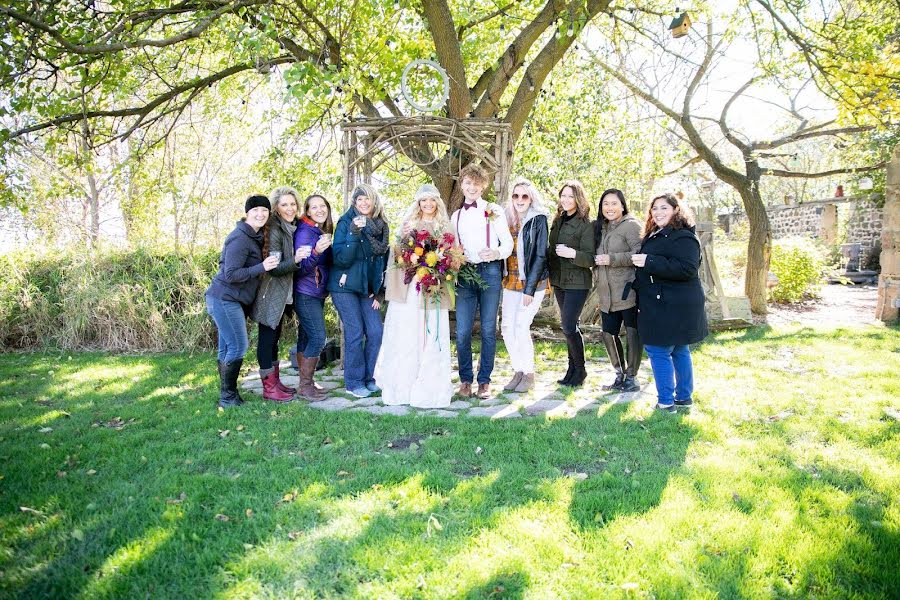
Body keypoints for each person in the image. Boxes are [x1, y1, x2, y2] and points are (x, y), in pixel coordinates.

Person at [375, 184, 454, 407]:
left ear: (437, 202)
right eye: (423, 201)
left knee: (431, 330)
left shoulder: (444, 226)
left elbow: (451, 255)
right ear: (418, 203)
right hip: (412, 287)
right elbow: (398, 252)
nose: (428, 205)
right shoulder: (408, 225)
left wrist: (437, 266)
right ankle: (405, 384)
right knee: (409, 330)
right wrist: (412, 262)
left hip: (433, 285)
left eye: (432, 201)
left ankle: (430, 384)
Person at [631, 192, 708, 412]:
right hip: (663, 300)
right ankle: (683, 398)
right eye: (654, 208)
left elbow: (687, 268)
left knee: (658, 349)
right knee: (678, 349)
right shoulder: (658, 234)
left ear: (676, 210)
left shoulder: (683, 237)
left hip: (672, 303)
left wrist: (649, 261)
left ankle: (666, 402)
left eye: (664, 207)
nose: (658, 212)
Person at [205, 195, 279, 408]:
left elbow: (225, 262)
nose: (260, 214)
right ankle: (228, 397)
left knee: (227, 347)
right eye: (255, 210)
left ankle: (228, 394)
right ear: (247, 213)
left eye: (264, 210)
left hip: (230, 299)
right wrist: (262, 267)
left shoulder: (253, 236)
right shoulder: (240, 237)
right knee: (238, 346)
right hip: (225, 298)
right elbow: (230, 274)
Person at [451, 163, 513, 399]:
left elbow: (507, 244)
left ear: (483, 186)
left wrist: (496, 253)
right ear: (462, 185)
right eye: (468, 183)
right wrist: (457, 256)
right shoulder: (456, 215)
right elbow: (452, 247)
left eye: (476, 184)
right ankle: (466, 380)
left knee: (488, 329)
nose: (472, 187)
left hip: (490, 272)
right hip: (465, 275)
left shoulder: (493, 210)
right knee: (464, 331)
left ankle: (484, 381)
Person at [250, 186, 311, 402]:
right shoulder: (275, 228)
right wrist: (295, 260)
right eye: (284, 204)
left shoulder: (293, 226)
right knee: (267, 338)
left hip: (285, 292)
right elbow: (274, 268)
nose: (289, 208)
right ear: (276, 207)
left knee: (275, 338)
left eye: (293, 204)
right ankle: (269, 388)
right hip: (271, 291)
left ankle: (275, 383)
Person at [328, 183, 390, 398]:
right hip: (344, 287)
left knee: (375, 331)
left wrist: (379, 292)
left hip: (367, 289)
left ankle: (368, 378)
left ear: (374, 202)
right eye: (359, 199)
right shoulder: (346, 223)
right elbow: (341, 259)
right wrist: (354, 233)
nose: (364, 203)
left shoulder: (381, 226)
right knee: (355, 332)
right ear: (354, 203)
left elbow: (382, 262)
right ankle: (354, 382)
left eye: (367, 199)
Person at [500, 177, 550, 394]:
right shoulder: (506, 218)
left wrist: (529, 289)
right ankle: (518, 370)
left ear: (531, 199)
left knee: (521, 326)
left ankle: (529, 374)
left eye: (524, 196)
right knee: (506, 328)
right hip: (510, 280)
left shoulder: (538, 219)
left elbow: (540, 256)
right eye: (515, 195)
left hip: (533, 282)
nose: (519, 200)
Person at [593, 188, 643, 392]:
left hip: (627, 289)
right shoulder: (602, 228)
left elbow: (640, 253)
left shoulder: (631, 226)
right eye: (606, 203)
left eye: (614, 203)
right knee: (608, 333)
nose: (610, 207)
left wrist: (613, 259)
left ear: (622, 205)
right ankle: (619, 374)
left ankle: (632, 377)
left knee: (632, 333)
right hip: (606, 292)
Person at [548, 180, 595, 387]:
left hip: (577, 281)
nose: (566, 200)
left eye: (570, 196)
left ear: (578, 198)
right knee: (569, 326)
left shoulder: (586, 224)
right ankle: (572, 370)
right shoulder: (558, 220)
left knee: (568, 326)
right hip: (559, 279)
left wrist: (572, 253)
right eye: (563, 195)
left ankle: (581, 370)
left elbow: (590, 258)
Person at [293, 193, 334, 401]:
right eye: (314, 207)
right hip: (306, 292)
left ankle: (306, 382)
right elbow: (301, 267)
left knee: (306, 336)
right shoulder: (305, 233)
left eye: (323, 206)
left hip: (314, 291)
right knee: (318, 337)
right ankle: (305, 385)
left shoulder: (316, 229)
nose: (320, 210)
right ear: (307, 211)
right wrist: (317, 251)